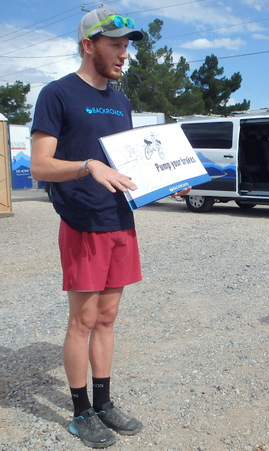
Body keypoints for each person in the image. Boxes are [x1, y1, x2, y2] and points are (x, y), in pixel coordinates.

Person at [31, 7, 188, 448]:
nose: (124, 54)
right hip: (82, 222)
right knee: (82, 320)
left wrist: (165, 183)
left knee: (108, 317)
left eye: (127, 46)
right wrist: (86, 166)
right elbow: (41, 165)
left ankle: (103, 403)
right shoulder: (56, 94)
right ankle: (80, 413)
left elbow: (129, 163)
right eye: (116, 45)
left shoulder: (121, 100)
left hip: (120, 219)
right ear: (88, 45)